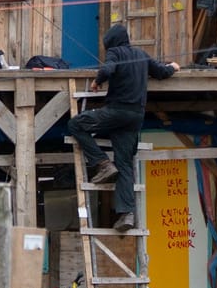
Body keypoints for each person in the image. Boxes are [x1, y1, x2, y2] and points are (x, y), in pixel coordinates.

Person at [67, 24, 177, 233]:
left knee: (75, 124)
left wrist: (97, 82)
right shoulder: (142, 55)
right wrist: (174, 67)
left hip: (116, 111)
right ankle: (127, 214)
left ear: (111, 43)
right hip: (136, 116)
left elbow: (108, 69)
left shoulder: (115, 52)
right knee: (125, 164)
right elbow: (162, 72)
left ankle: (102, 163)